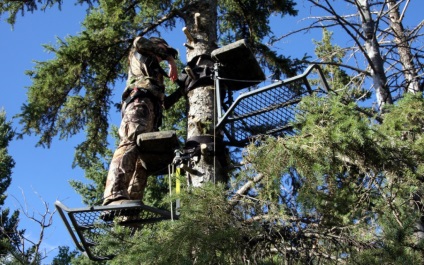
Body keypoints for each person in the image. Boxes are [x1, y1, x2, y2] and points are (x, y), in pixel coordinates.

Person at [102, 36, 180, 206]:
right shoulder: (142, 54)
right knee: (130, 142)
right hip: (139, 101)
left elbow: (164, 103)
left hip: (151, 110)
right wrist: (170, 59)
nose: (163, 55)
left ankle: (129, 206)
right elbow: (138, 41)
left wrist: (183, 89)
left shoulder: (155, 71)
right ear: (155, 46)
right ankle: (114, 194)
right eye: (162, 49)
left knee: (143, 159)